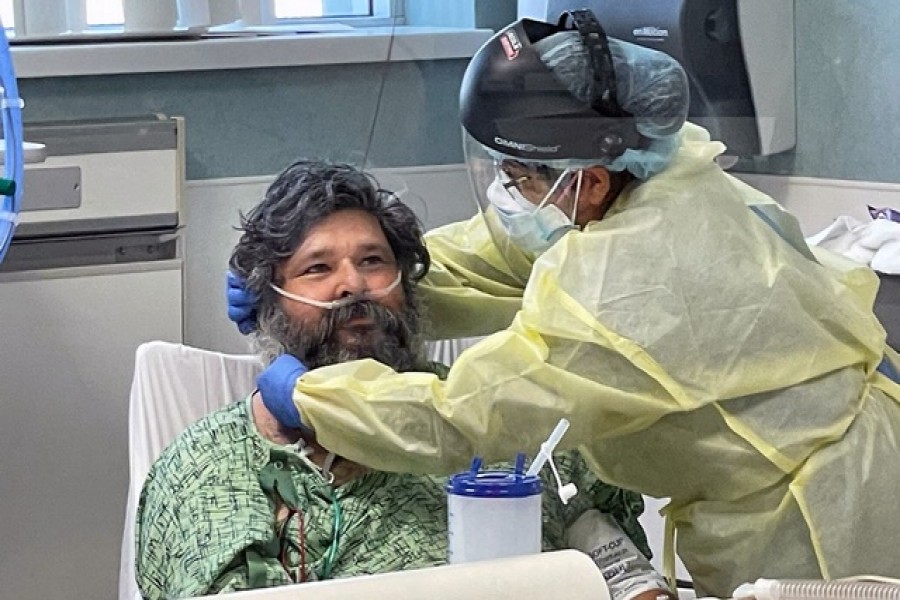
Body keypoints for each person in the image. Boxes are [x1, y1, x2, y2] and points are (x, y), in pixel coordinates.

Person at [226, 11, 900, 598]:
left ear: (591, 178)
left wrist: (312, 398)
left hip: (817, 520)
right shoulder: (664, 173)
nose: (508, 195)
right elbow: (506, 251)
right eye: (320, 269)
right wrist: (390, 278)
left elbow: (464, 417)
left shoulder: (631, 284)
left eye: (518, 176)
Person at [137, 159, 672, 600]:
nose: (354, 284)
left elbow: (615, 560)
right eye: (317, 269)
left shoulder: (486, 413)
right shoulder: (217, 464)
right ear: (268, 301)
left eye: (373, 261)